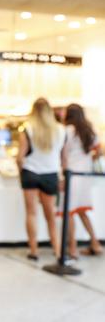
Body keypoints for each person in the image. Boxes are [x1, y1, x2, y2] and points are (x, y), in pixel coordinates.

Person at [17, 98, 64, 261]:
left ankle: (34, 251)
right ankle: (58, 251)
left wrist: (20, 173)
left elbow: (20, 157)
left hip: (30, 173)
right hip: (51, 174)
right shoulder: (60, 130)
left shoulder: (27, 129)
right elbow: (62, 157)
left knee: (31, 213)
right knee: (51, 215)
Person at [61, 103, 103, 257]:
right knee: (82, 211)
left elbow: (64, 155)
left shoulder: (67, 131)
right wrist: (87, 158)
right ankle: (95, 243)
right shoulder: (89, 130)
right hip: (85, 175)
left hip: (72, 174)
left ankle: (72, 248)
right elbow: (98, 151)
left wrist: (63, 174)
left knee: (69, 211)